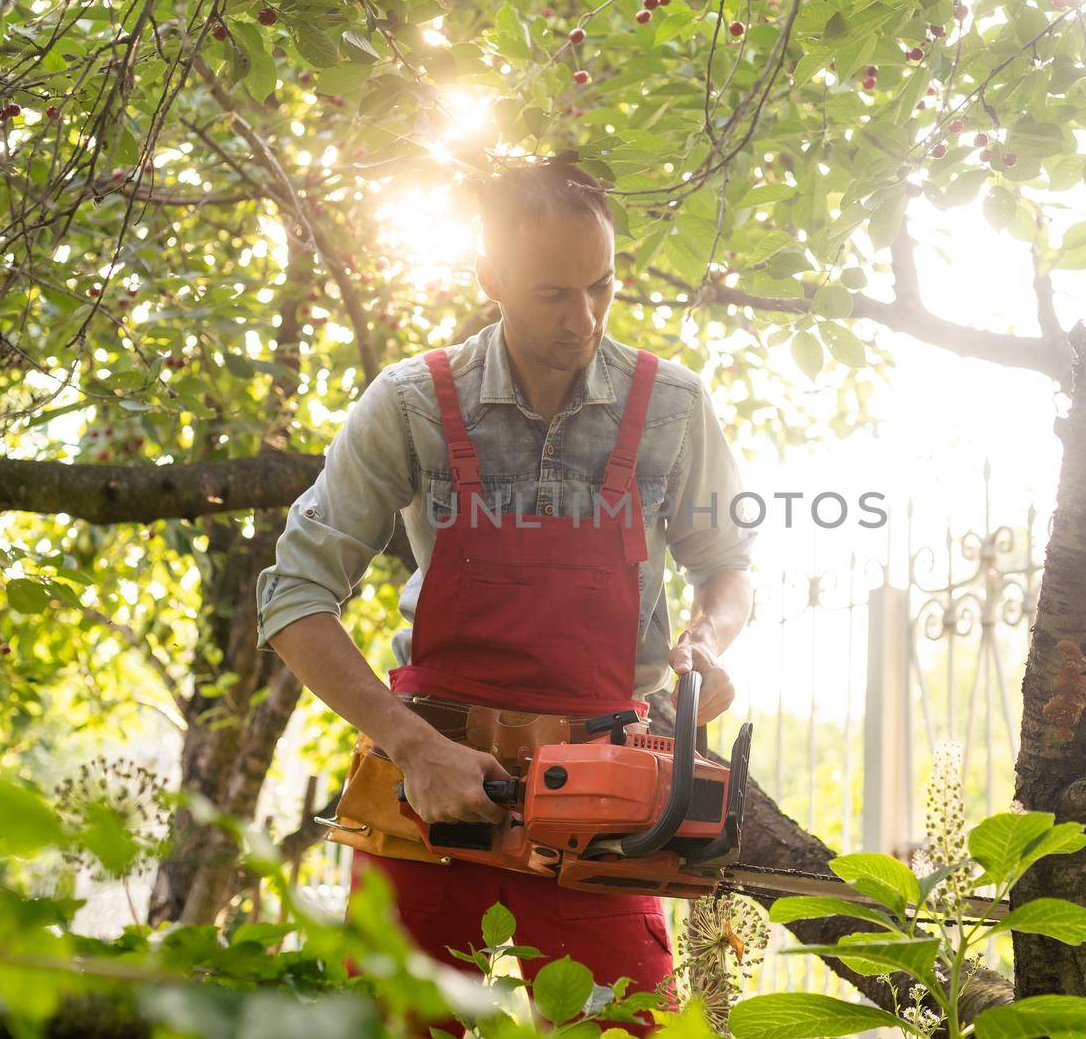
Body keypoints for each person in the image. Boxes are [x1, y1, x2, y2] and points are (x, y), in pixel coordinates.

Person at [256, 158, 757, 1033]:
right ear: (489, 280)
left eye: (602, 286)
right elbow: (294, 597)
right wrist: (412, 746)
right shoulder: (411, 404)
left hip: (605, 817)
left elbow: (728, 563)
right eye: (553, 295)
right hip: (430, 807)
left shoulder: (673, 406)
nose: (586, 320)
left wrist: (710, 637)